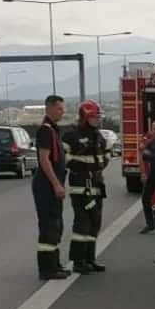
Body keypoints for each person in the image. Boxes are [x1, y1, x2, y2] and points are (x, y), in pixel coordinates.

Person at [63, 99, 110, 274]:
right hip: (80, 187)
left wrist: (101, 163)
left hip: (97, 185)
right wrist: (82, 165)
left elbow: (106, 153)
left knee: (94, 224)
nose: (97, 120)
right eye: (94, 117)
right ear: (85, 117)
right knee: (82, 224)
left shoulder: (98, 135)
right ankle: (78, 261)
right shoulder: (71, 135)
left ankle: (90, 259)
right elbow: (63, 159)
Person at [32, 95, 70, 280]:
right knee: (49, 226)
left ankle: (54, 264)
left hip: (52, 186)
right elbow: (44, 159)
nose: (62, 112)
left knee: (56, 226)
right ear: (50, 108)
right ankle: (47, 269)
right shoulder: (46, 131)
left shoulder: (53, 130)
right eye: (60, 109)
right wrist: (56, 184)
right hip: (46, 187)